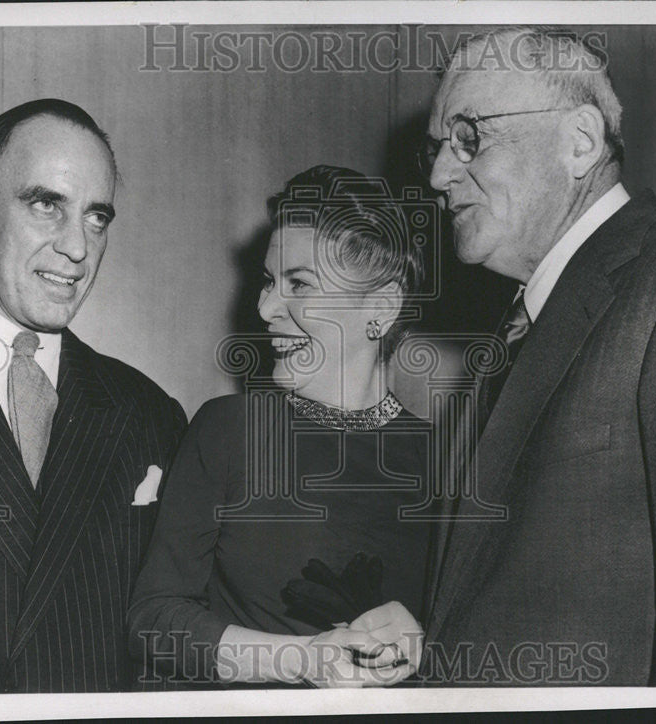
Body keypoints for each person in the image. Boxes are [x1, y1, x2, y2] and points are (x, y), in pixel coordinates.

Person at [420, 28, 656, 685]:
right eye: (435, 148)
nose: (437, 176)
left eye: (468, 136)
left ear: (579, 142)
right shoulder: (504, 342)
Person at [0, 99, 187, 694]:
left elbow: (167, 641)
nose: (78, 247)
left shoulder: (150, 412)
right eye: (47, 205)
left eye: (96, 217)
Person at [128, 165, 430, 688]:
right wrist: (302, 659)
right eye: (270, 280)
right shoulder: (230, 431)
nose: (265, 307)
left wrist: (429, 644)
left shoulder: (449, 460)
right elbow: (153, 622)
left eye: (299, 283)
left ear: (380, 308)